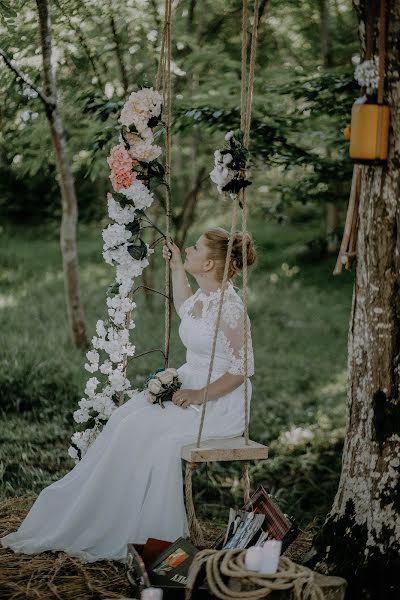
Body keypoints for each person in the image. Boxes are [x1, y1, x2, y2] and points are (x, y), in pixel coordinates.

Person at [1, 227, 256, 564]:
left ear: (209, 264)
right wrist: (178, 267)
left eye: (194, 248)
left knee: (151, 435)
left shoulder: (231, 309)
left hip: (219, 401)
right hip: (191, 385)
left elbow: (241, 371)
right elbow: (186, 310)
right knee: (124, 419)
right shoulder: (205, 298)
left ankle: (145, 534)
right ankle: (101, 512)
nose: (189, 249)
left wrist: (197, 395)